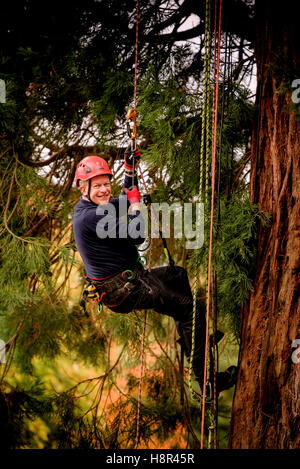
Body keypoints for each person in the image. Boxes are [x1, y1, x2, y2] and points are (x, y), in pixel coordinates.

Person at [72, 144, 237, 398]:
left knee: (178, 276)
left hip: (129, 281)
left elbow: (125, 199)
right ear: (84, 188)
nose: (104, 190)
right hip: (126, 290)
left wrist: (129, 171)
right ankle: (207, 380)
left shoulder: (92, 206)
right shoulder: (90, 217)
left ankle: (197, 343)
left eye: (106, 183)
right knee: (187, 308)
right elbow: (137, 233)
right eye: (97, 186)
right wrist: (137, 208)